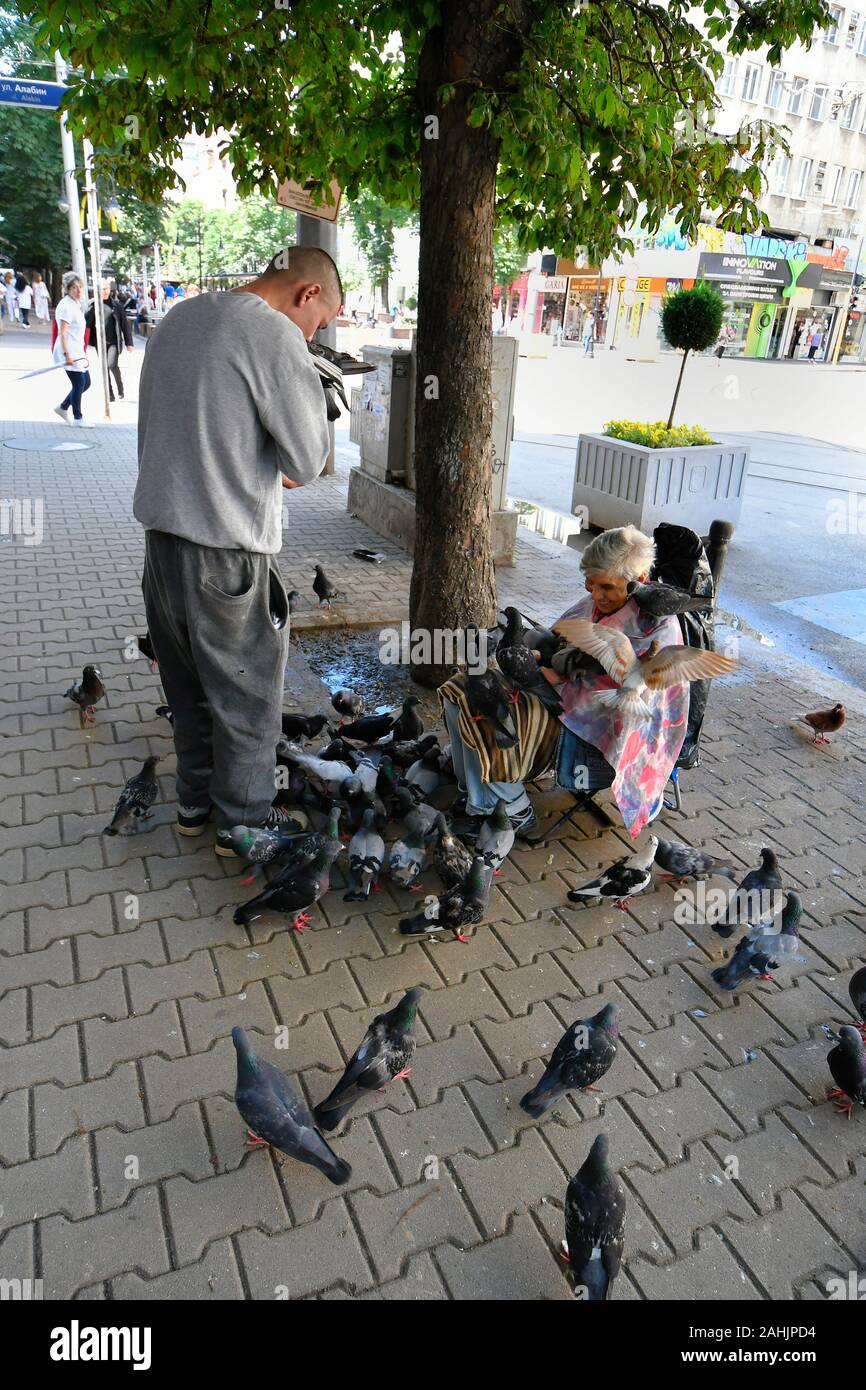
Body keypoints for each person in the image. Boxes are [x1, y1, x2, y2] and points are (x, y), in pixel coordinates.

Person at [134, 246, 341, 855]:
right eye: (321, 321)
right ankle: (243, 825)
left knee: (188, 687)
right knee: (247, 700)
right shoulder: (274, 335)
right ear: (306, 295)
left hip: (161, 546)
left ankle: (193, 807)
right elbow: (306, 463)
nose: (314, 333)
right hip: (226, 555)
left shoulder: (179, 318)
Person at [439, 525, 689, 840]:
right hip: (557, 699)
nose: (596, 595)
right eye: (591, 585)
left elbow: (636, 709)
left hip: (594, 731)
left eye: (606, 587)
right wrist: (542, 662)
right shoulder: (600, 603)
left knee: (490, 713)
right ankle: (477, 796)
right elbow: (559, 640)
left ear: (638, 580)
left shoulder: (660, 632)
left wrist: (556, 682)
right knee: (461, 689)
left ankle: (513, 810)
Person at [52, 272, 91, 427]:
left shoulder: (75, 304)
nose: (78, 291)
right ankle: (78, 418)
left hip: (77, 350)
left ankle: (63, 407)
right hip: (68, 350)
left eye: (80, 287)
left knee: (86, 382)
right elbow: (62, 332)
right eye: (74, 288)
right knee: (79, 383)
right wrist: (67, 354)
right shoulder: (66, 306)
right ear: (68, 289)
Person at [85, 281, 134, 402]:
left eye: (106, 288)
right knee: (104, 368)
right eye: (102, 289)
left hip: (113, 342)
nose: (105, 291)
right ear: (98, 291)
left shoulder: (116, 305)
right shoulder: (94, 305)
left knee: (111, 364)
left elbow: (124, 325)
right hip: (100, 342)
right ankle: (109, 393)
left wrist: (129, 343)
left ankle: (120, 387)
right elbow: (86, 324)